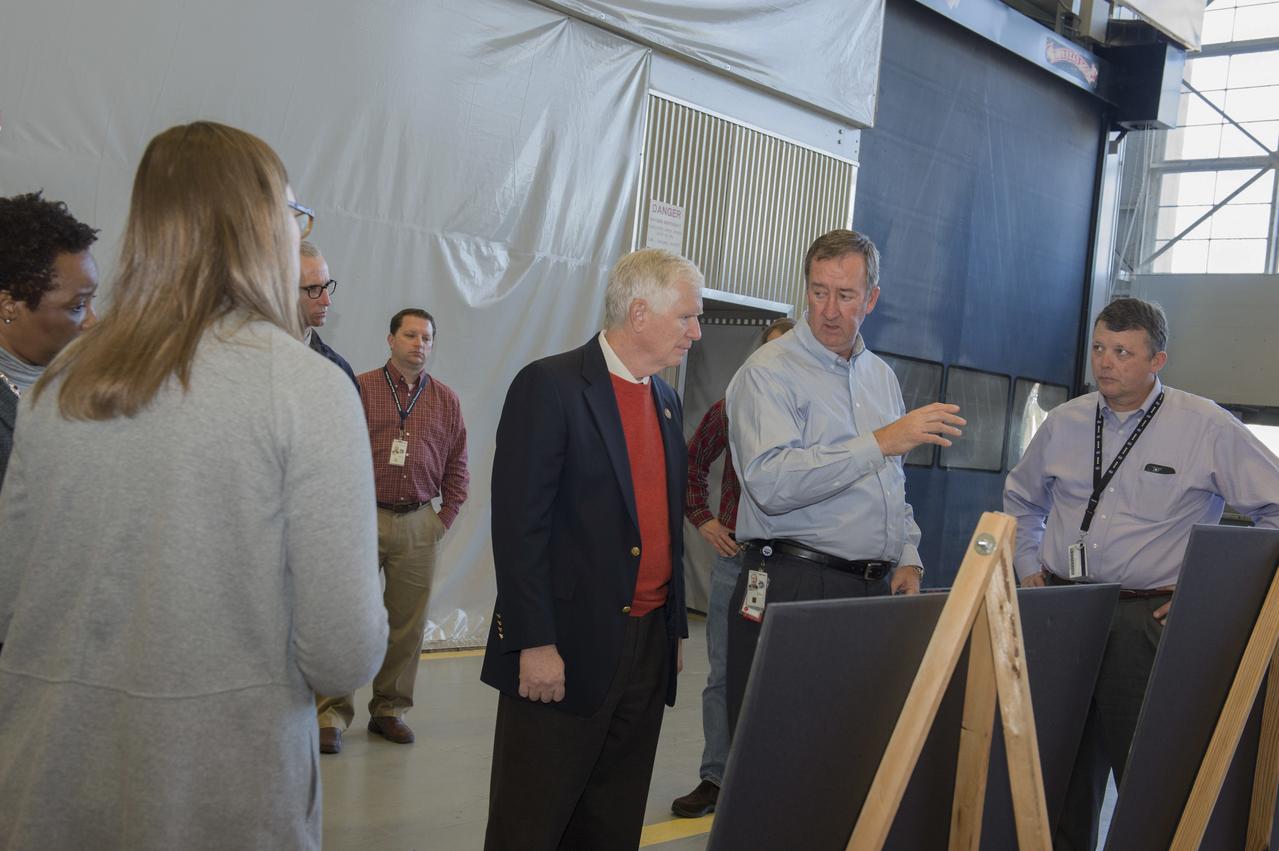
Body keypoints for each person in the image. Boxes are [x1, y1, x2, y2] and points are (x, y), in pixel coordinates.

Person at [0, 121, 387, 850]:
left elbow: (11, 595)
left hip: (49, 780)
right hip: (218, 791)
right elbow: (341, 650)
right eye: (293, 216)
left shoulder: (59, 382)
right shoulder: (304, 387)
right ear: (264, 229)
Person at [1004, 297, 1279, 851]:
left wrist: (1211, 594)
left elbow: (1273, 509)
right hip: (1061, 612)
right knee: (1052, 768)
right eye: (1100, 349)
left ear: (1158, 361)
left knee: (1149, 773)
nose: (1106, 363)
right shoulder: (1064, 423)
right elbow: (1019, 500)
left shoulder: (1204, 426)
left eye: (1123, 352)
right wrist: (1029, 567)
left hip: (1145, 621)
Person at [481, 248, 702, 850]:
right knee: (532, 821)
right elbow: (518, 529)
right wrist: (534, 642)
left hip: (646, 649)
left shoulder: (666, 400)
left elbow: (662, 526)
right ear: (639, 313)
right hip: (563, 646)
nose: (696, 331)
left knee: (613, 818)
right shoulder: (549, 386)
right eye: (686, 317)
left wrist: (673, 630)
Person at [724, 228, 965, 732]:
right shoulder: (768, 373)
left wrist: (907, 557)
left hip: (870, 589)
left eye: (846, 295)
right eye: (818, 292)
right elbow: (768, 484)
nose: (829, 310)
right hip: (795, 583)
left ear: (872, 298)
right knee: (780, 752)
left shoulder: (880, 377)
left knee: (850, 749)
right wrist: (878, 441)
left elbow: (891, 484)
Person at [316, 308, 469, 753]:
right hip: (361, 518)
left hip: (419, 521)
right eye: (410, 335)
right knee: (346, 617)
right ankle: (330, 712)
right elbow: (331, 456)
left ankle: (390, 710)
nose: (419, 344)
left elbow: (459, 466)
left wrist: (442, 519)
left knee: (407, 625)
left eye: (427, 337)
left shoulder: (446, 400)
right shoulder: (358, 388)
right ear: (390, 339)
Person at [671, 316, 795, 819]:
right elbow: (690, 464)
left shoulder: (821, 415)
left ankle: (775, 781)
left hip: (797, 563)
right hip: (738, 562)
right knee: (722, 674)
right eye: (771, 351)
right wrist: (704, 521)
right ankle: (715, 777)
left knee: (787, 675)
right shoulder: (732, 406)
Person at [0, 192, 99, 492]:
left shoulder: (78, 385)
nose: (93, 321)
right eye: (77, 306)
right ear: (9, 306)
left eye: (92, 300)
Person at [298, 240, 357, 386]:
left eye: (327, 286)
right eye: (313, 288)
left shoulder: (340, 371)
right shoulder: (246, 356)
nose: (327, 301)